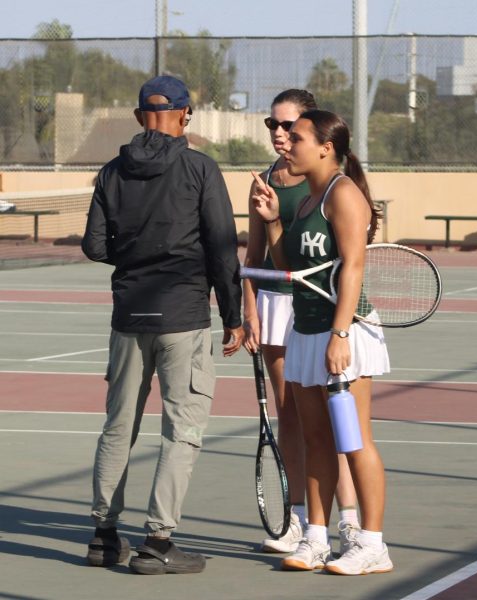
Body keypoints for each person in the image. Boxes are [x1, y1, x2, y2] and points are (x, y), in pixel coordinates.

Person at [81, 75, 244, 575]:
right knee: (182, 430)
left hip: (129, 316)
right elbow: (221, 247)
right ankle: (158, 541)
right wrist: (233, 316)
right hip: (183, 316)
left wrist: (133, 258)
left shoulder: (112, 172)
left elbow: (94, 245)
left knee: (118, 427)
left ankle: (104, 536)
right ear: (185, 115)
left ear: (137, 117)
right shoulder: (200, 168)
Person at [251, 109, 393, 575]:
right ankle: (316, 538)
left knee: (353, 441)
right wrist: (273, 221)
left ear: (325, 148)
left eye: (296, 138)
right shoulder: (309, 199)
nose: (286, 144)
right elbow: (290, 268)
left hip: (343, 335)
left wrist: (341, 333)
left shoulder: (343, 194)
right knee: (315, 439)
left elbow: (353, 266)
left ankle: (372, 543)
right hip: (306, 329)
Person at [243, 90, 360, 555]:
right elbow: (258, 254)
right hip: (277, 307)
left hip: (322, 309)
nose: (279, 135)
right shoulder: (267, 178)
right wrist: (247, 310)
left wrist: (342, 329)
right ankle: (299, 521)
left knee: (335, 422)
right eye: (272, 125)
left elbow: (349, 257)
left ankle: (350, 522)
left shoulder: (333, 183)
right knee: (293, 414)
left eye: (289, 127)